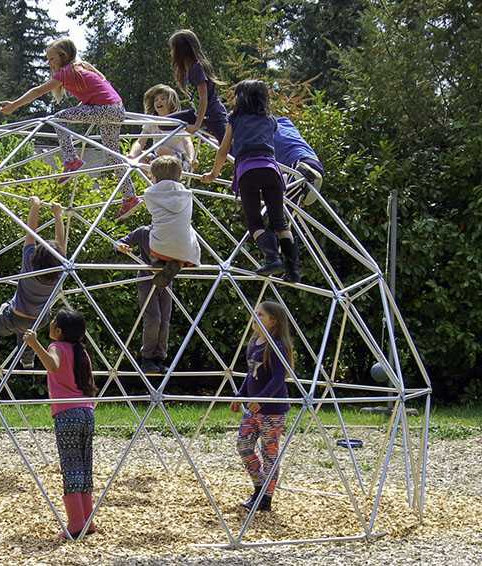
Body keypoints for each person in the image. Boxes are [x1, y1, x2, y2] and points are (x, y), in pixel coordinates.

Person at [0, 38, 139, 221]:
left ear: (63, 56)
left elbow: (37, 92)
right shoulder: (80, 67)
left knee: (59, 118)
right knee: (113, 156)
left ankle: (71, 160)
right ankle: (130, 197)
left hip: (106, 109)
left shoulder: (66, 72)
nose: (49, 63)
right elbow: (103, 82)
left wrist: (14, 105)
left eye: (52, 59)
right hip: (116, 109)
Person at [202, 80, 301, 283]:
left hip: (248, 172)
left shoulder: (234, 118)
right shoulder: (270, 119)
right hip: (272, 172)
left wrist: (213, 173)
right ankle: (293, 271)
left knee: (255, 221)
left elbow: (223, 150)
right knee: (280, 223)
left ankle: (272, 258)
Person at [23, 309, 97, 539]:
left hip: (67, 413)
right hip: (87, 411)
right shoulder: (82, 352)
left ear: (59, 331)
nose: (50, 325)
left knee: (71, 466)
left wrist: (35, 344)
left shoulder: (58, 347)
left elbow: (53, 365)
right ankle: (88, 520)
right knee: (84, 466)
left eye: (53, 322)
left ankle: (75, 524)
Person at [0, 197, 65, 377]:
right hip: (40, 319)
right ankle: (27, 358)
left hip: (15, 317)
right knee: (26, 329)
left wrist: (35, 206)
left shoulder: (29, 266)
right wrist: (58, 216)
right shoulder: (60, 272)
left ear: (36, 255)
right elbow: (61, 245)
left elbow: (30, 232)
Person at [230, 301, 293, 512]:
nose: (255, 317)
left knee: (269, 453)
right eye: (255, 313)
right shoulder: (254, 343)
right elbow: (251, 374)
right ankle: (259, 486)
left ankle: (265, 497)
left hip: (272, 411)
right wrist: (240, 396)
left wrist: (262, 399)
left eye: (261, 315)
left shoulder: (277, 345)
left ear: (273, 321)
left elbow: (278, 378)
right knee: (244, 446)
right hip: (252, 409)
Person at [115, 225, 172, 375]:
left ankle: (159, 358)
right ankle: (147, 358)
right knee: (153, 319)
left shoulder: (173, 231)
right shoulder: (144, 232)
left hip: (166, 279)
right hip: (147, 279)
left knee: (165, 321)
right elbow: (120, 242)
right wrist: (121, 246)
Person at [143, 156, 201, 288]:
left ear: (155, 177)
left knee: (150, 230)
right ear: (179, 175)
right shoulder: (187, 194)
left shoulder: (149, 194)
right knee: (189, 230)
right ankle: (178, 263)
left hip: (159, 246)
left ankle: (158, 261)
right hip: (185, 250)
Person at [162, 29, 229, 142]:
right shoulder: (187, 69)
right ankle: (203, 128)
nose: (171, 52)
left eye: (173, 49)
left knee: (229, 150)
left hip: (213, 115)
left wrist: (197, 125)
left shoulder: (197, 67)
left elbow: (203, 98)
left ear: (181, 50)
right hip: (198, 114)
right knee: (163, 124)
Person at [128, 84, 195, 171]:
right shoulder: (152, 122)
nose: (159, 101)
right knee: (141, 156)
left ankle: (161, 175)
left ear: (171, 102)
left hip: (179, 162)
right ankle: (153, 181)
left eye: (163, 99)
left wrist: (191, 159)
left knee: (162, 149)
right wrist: (132, 155)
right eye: (156, 100)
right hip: (158, 160)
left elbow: (187, 142)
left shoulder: (178, 121)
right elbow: (140, 142)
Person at [274, 117, 325, 206]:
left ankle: (306, 179)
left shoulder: (255, 131)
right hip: (311, 160)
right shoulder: (284, 122)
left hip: (297, 165)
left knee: (283, 211)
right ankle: (303, 191)